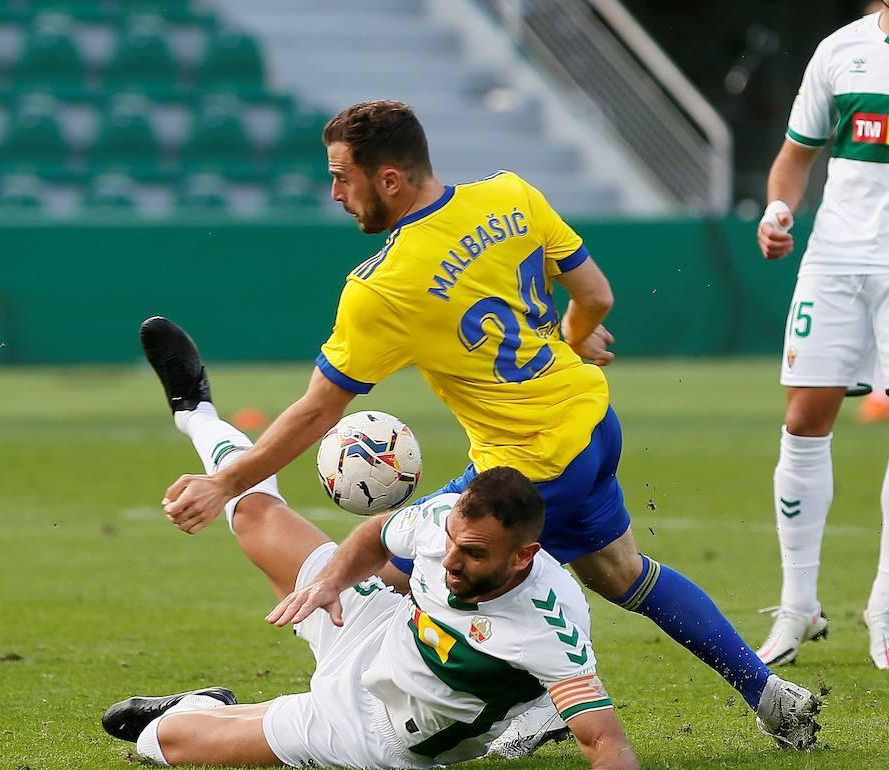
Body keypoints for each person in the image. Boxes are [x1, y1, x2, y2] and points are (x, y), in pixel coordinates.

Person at [160, 100, 820, 748]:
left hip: (529, 466)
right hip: (590, 424)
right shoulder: (510, 194)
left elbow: (317, 411)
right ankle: (767, 694)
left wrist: (226, 484)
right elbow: (596, 296)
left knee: (393, 577)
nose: (334, 192)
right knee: (623, 574)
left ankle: (534, 705)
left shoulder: (383, 285)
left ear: (387, 178)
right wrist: (571, 336)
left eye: (341, 175)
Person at [103, 326, 638, 768]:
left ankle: (202, 706)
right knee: (253, 513)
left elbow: (605, 743)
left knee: (162, 741)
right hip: (375, 629)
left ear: (524, 555)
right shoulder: (438, 523)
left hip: (371, 731)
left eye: (474, 554)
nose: (450, 560)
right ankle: (195, 411)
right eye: (453, 541)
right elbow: (376, 533)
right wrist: (331, 584)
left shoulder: (549, 627)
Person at [754, 1, 889, 669]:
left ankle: (885, 604)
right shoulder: (842, 50)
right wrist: (779, 210)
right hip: (834, 262)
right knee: (804, 422)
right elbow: (793, 160)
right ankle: (799, 604)